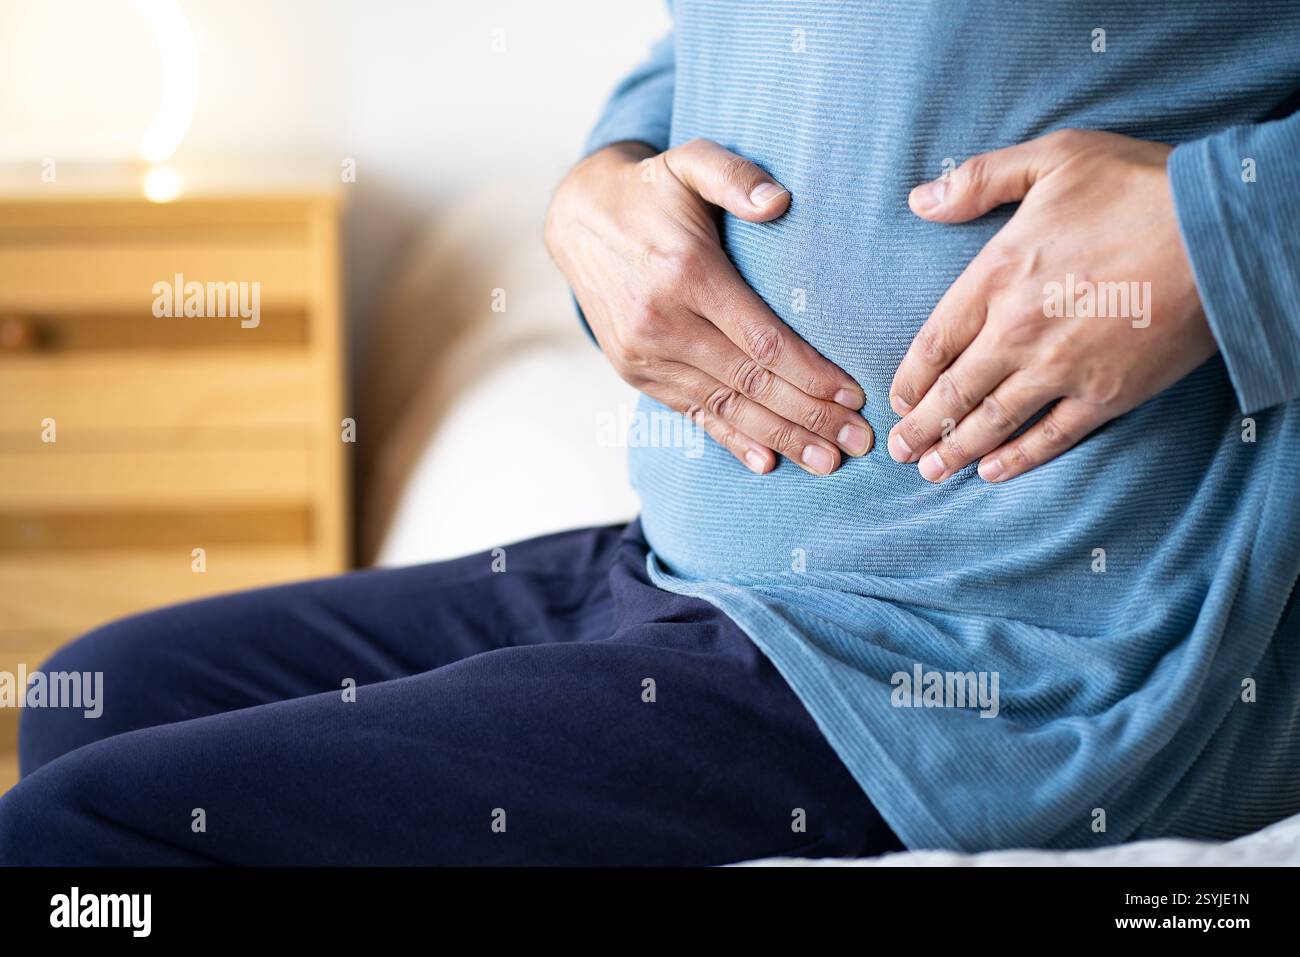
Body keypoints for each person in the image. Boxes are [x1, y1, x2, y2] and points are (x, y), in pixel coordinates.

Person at [3, 1, 1299, 864]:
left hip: (996, 641)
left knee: (82, 837)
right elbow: (706, 49)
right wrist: (599, 183)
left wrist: (1219, 229)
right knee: (101, 693)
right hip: (681, 566)